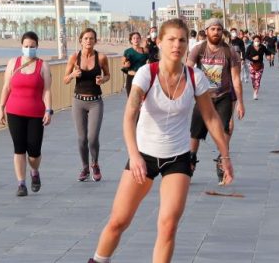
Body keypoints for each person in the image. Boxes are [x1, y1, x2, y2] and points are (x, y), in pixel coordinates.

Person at [89, 19, 233, 263]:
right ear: (159, 42)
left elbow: (210, 116)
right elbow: (129, 115)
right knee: (118, 221)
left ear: (188, 44)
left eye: (182, 40)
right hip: (143, 156)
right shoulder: (147, 74)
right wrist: (134, 156)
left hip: (177, 157)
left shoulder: (195, 77)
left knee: (168, 226)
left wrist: (225, 157)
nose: (177, 45)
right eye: (171, 40)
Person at [186, 18, 244, 183]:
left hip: (223, 96)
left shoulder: (229, 51)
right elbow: (188, 71)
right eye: (213, 29)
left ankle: (222, 160)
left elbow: (236, 78)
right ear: (206, 31)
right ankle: (191, 160)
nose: (216, 32)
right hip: (203, 97)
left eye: (219, 29)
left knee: (225, 129)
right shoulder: (198, 50)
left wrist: (240, 102)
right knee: (195, 132)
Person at [0, 31, 53, 196]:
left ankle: (34, 171)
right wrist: (1, 108)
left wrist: (48, 110)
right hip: (14, 111)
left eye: (32, 46)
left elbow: (47, 90)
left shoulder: (43, 65)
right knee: (19, 148)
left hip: (36, 112)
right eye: (26, 46)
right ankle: (21, 183)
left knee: (34, 151)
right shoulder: (13, 63)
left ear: (37, 47)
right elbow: (6, 87)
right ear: (22, 47)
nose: (29, 49)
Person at [65, 28, 111, 182]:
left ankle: (95, 164)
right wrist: (72, 75)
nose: (88, 41)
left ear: (95, 41)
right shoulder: (74, 57)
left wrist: (102, 80)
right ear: (81, 41)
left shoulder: (101, 57)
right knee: (82, 138)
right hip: (78, 102)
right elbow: (65, 79)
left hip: (95, 102)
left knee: (92, 137)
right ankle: (85, 167)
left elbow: (108, 75)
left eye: (91, 38)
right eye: (86, 38)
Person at [121, 32, 149, 96]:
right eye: (134, 38)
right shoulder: (127, 51)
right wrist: (125, 65)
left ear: (140, 39)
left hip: (142, 77)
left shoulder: (145, 50)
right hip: (131, 77)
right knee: (131, 98)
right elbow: (123, 64)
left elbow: (149, 62)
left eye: (137, 38)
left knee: (142, 98)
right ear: (131, 40)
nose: (136, 40)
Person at [245, 34, 269, 100]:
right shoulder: (250, 47)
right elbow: (246, 56)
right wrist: (252, 58)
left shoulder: (262, 47)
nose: (256, 42)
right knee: (253, 80)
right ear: (253, 41)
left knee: (257, 80)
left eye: (258, 41)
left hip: (260, 66)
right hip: (251, 65)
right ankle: (254, 89)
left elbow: (267, 52)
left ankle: (255, 93)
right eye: (255, 41)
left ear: (260, 41)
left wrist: (268, 56)